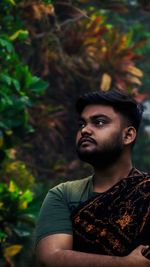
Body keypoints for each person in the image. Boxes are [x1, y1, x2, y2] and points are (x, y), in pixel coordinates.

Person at [35, 90, 150, 267]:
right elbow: (51, 257)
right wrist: (125, 264)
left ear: (128, 135)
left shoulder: (146, 192)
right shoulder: (64, 195)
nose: (85, 130)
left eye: (99, 122)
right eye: (82, 124)